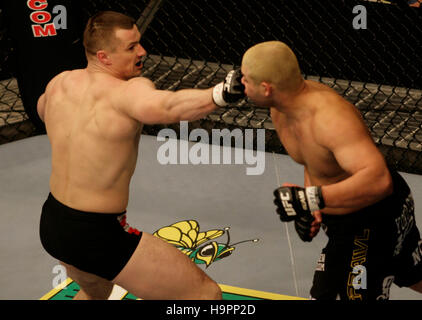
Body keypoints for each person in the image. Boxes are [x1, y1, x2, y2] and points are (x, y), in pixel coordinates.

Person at [37, 11, 244, 300]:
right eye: (131, 47)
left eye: (139, 43)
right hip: (98, 233)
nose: (142, 52)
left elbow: (43, 111)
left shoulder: (59, 83)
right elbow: (167, 107)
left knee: (97, 290)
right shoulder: (129, 91)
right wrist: (220, 94)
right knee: (205, 296)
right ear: (104, 57)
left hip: (54, 224)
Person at [241, 41, 422, 300]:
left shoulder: (329, 119)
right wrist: (313, 208)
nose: (239, 82)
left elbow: (379, 181)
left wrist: (310, 198)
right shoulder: (281, 110)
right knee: (413, 273)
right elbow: (315, 163)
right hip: (347, 218)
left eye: (246, 79)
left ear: (266, 88)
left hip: (374, 216)